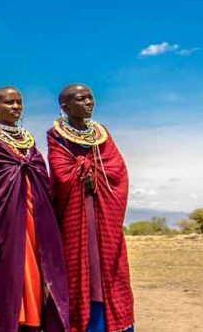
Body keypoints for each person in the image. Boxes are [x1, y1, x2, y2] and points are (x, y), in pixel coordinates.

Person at [0, 87, 69, 332]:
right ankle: (14, 319)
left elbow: (41, 174)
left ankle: (34, 318)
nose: (15, 107)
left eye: (19, 102)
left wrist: (27, 171)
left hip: (35, 214)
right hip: (6, 218)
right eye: (9, 102)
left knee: (36, 266)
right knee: (13, 267)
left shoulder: (29, 140)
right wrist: (15, 173)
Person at [46, 84, 134, 332]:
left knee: (109, 267)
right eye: (81, 98)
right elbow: (60, 174)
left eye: (90, 97)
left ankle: (114, 324)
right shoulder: (56, 135)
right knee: (82, 269)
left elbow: (117, 169)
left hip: (102, 212)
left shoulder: (101, 132)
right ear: (65, 106)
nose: (89, 102)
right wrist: (81, 171)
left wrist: (93, 170)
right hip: (77, 214)